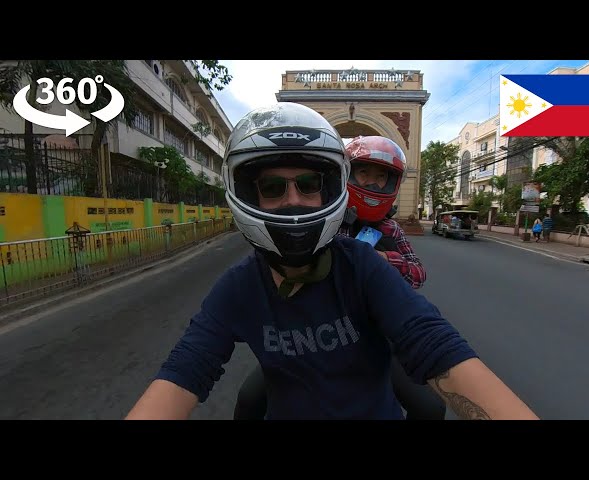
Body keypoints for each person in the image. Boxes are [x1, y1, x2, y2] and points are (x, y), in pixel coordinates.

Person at [125, 102, 539, 421]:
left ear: (330, 191)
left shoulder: (362, 264)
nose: (293, 200)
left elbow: (435, 345)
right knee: (249, 400)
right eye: (272, 186)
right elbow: (184, 372)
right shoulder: (238, 288)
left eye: (309, 184)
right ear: (249, 195)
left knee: (429, 406)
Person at [232, 135, 445, 420]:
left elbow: (417, 274)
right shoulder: (324, 221)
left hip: (376, 337)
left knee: (431, 407)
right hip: (316, 332)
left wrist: (381, 261)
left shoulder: (391, 230)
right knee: (248, 400)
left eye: (381, 177)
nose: (372, 183)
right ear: (346, 175)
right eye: (364, 172)